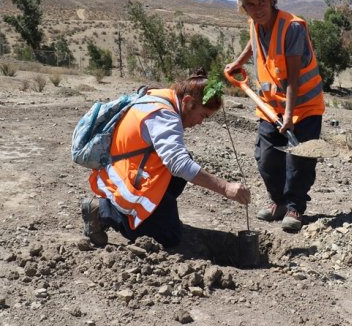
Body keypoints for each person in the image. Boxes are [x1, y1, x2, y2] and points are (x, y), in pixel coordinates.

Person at [81, 69, 251, 248]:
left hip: (125, 171)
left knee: (185, 161)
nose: (201, 122)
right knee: (170, 237)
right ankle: (101, 211)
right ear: (187, 101)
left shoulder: (159, 97)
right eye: (203, 115)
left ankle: (157, 215)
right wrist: (226, 187)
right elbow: (178, 164)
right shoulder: (164, 115)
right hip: (125, 183)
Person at [225, 0, 325, 232]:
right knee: (267, 158)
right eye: (250, 4)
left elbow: (292, 77)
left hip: (303, 108)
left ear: (271, 0)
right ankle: (278, 202)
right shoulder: (255, 22)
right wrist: (238, 62)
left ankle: (294, 207)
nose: (257, 8)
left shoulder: (292, 27)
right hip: (271, 107)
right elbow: (254, 41)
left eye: (262, 1)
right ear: (243, 9)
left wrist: (290, 114)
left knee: (298, 162)